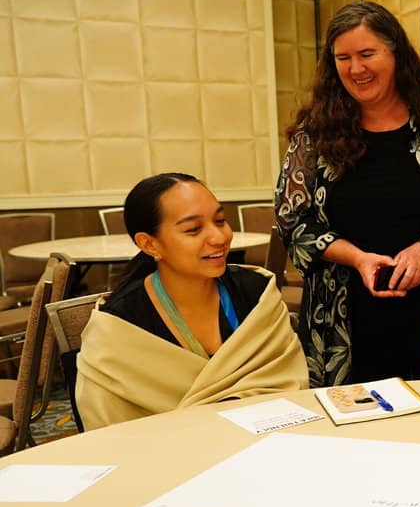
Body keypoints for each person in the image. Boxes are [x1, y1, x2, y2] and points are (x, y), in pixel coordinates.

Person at [275, 1, 420, 387]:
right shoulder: (315, 135)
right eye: (343, 58)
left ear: (395, 54)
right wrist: (357, 258)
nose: (355, 69)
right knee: (349, 436)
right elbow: (293, 218)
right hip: (341, 314)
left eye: (367, 54)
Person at [77, 173, 308, 429]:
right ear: (150, 244)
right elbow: (110, 430)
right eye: (193, 229)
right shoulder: (117, 327)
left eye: (220, 221)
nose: (219, 237)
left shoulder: (257, 294)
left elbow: (289, 382)